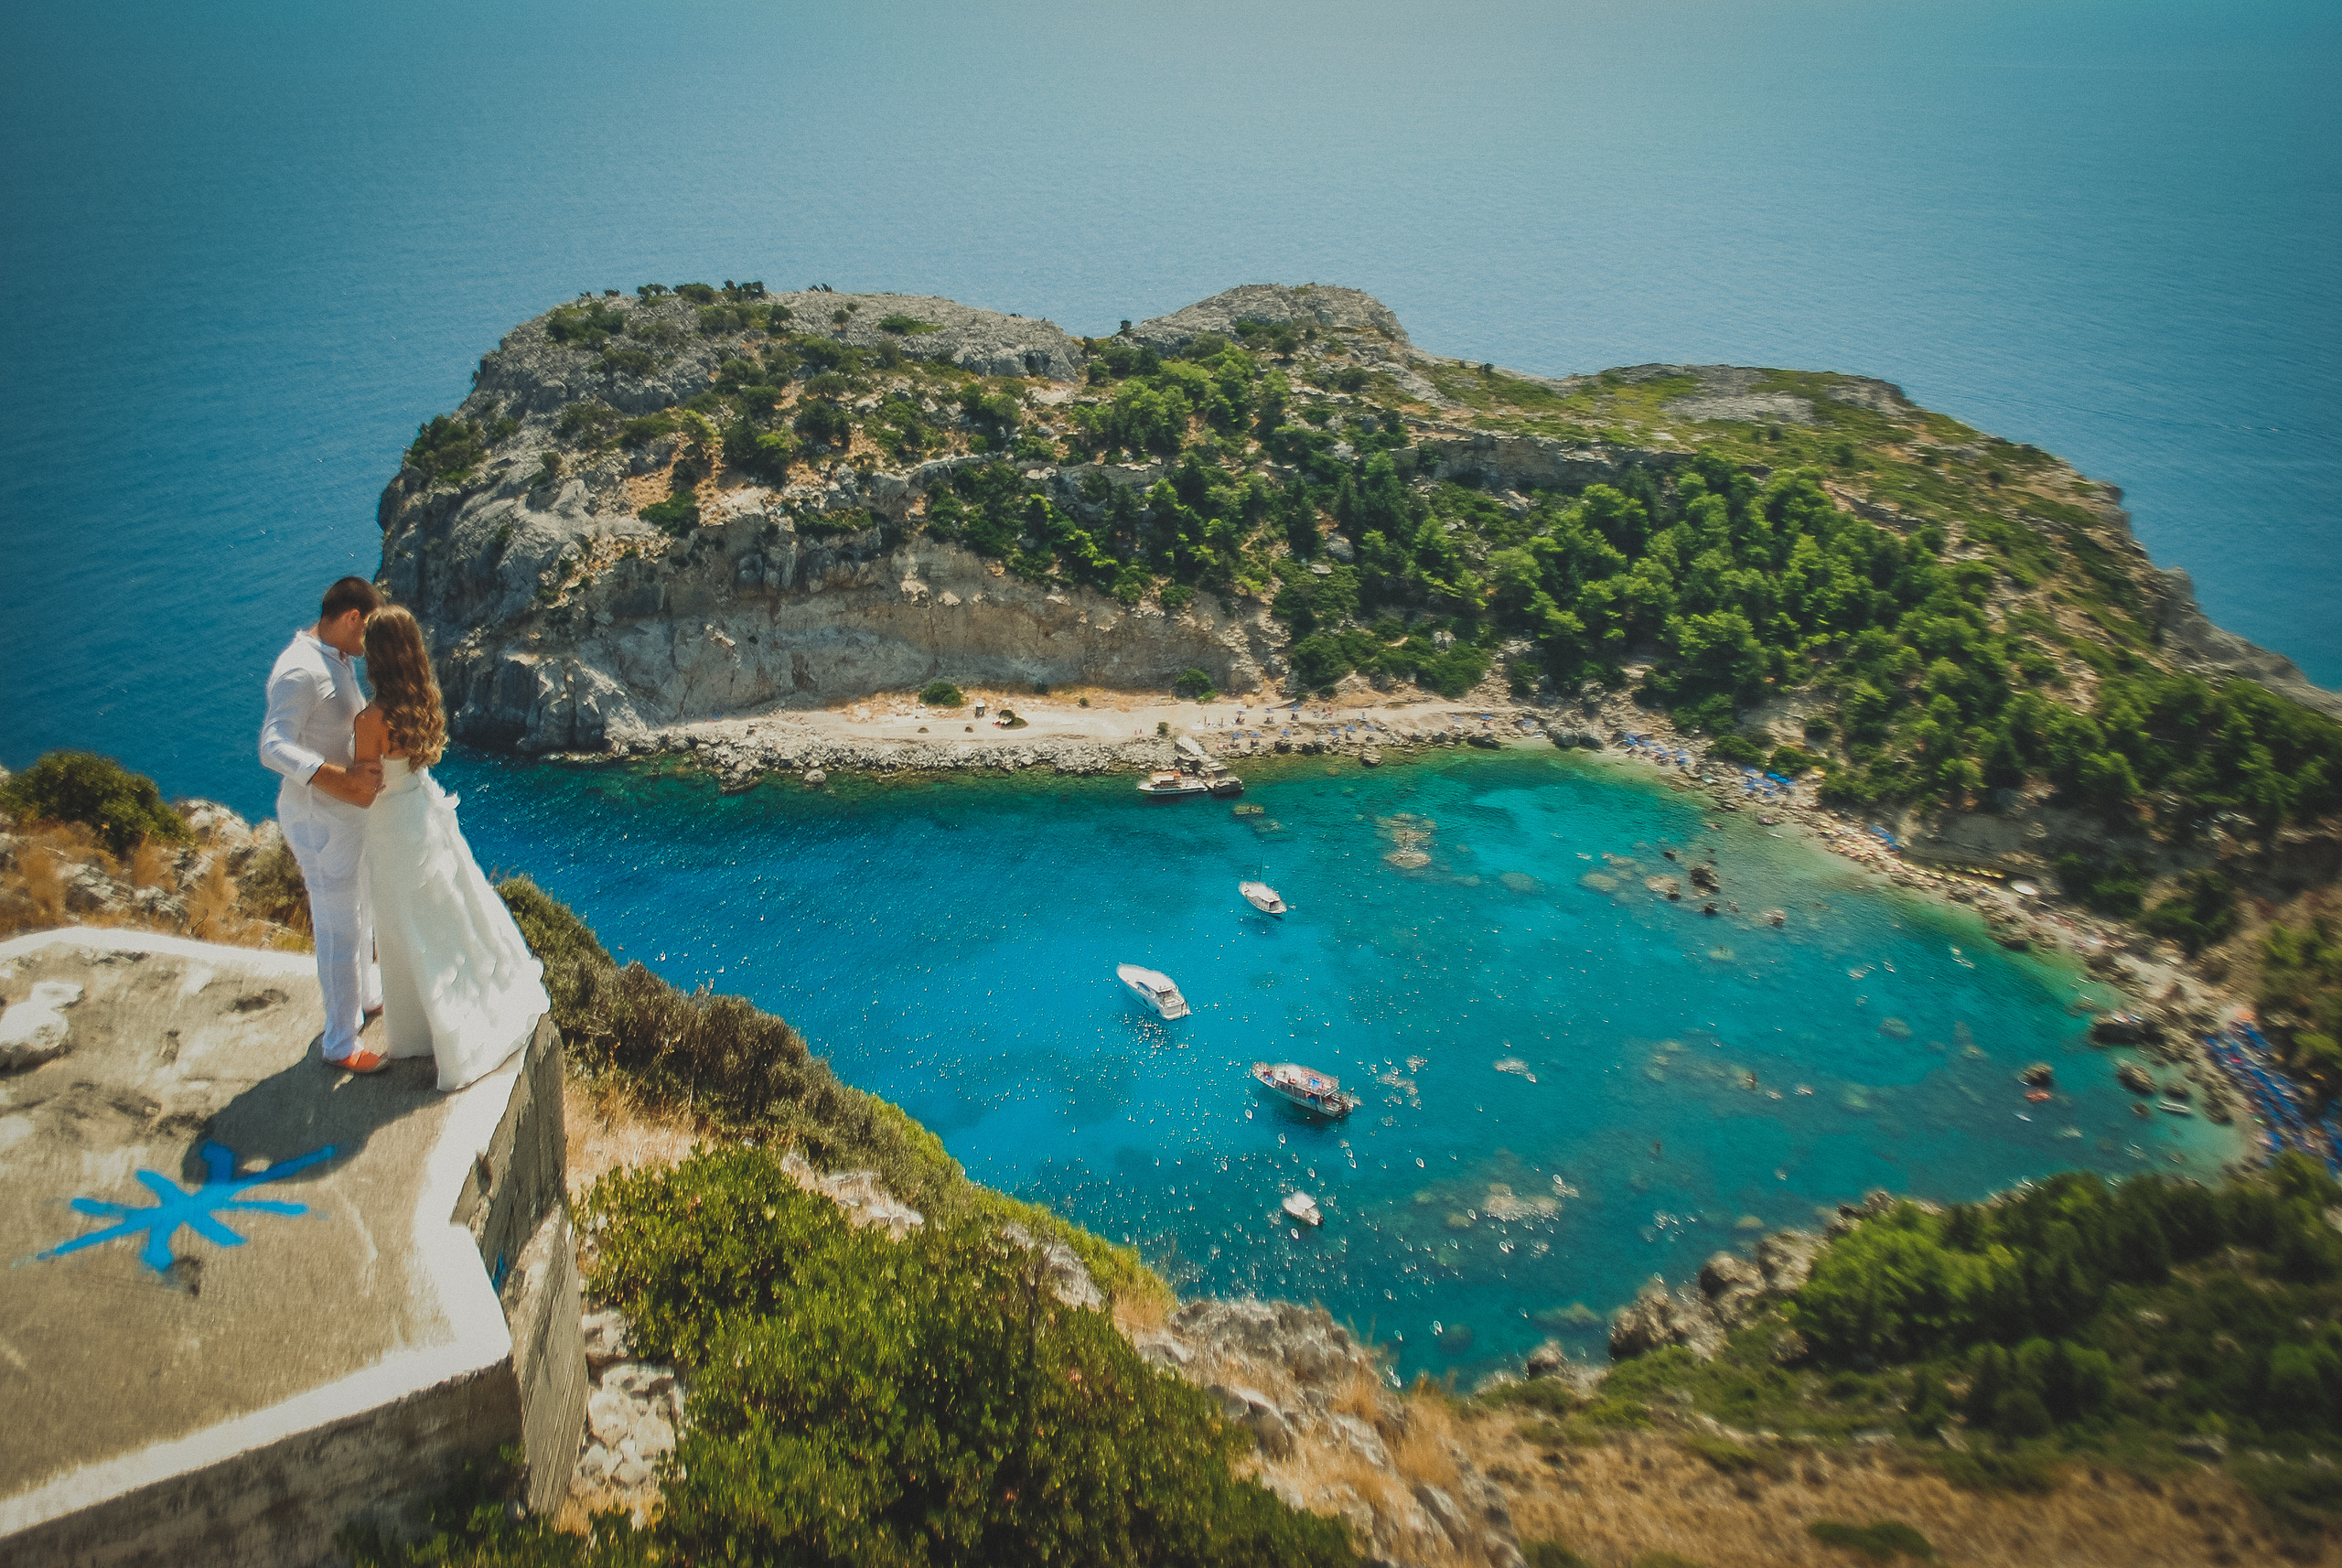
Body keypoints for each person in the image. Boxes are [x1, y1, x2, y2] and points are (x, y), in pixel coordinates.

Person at [354, 606, 549, 1090]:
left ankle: (422, 1034)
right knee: (445, 921)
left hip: (390, 828)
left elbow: (362, 786)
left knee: (404, 929)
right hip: (423, 815)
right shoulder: (420, 704)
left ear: (375, 657)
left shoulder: (371, 719)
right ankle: (462, 1015)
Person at [259, 577, 385, 1069]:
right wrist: (341, 779)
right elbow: (273, 747)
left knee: (363, 910)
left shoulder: (338, 660)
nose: (368, 642)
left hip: (345, 814)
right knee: (339, 927)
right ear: (353, 616)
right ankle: (339, 1042)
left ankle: (367, 999)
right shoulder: (299, 670)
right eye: (367, 628)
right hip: (319, 817)